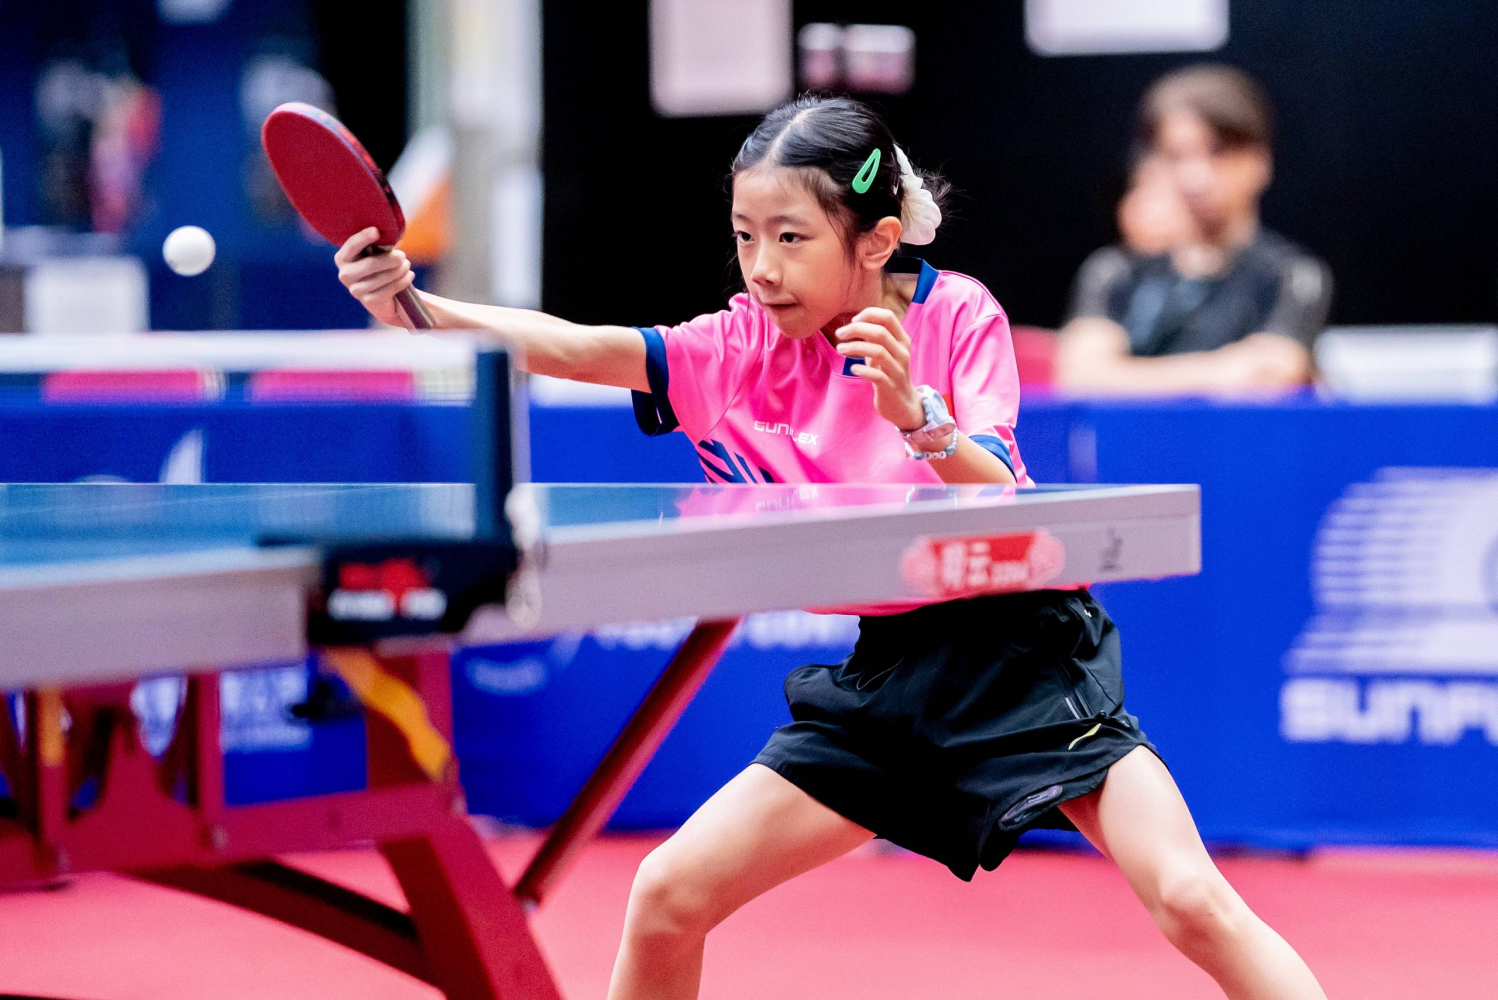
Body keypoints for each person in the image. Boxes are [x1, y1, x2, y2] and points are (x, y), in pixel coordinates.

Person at [336, 94, 1326, 1000]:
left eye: (791, 237)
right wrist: (420, 310)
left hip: (1021, 654)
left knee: (1191, 900)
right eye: (744, 236)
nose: (761, 266)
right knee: (669, 893)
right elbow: (580, 344)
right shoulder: (740, 347)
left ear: (875, 239)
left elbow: (999, 491)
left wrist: (915, 415)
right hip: (887, 679)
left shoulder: (954, 315)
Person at [1057, 65, 1333, 394]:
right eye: (1176, 155)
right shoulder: (1115, 271)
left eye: (1217, 151)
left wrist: (1125, 376)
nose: (1196, 177)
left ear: (1259, 161)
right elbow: (1081, 378)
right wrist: (1224, 369)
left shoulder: (1292, 274)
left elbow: (1269, 377)